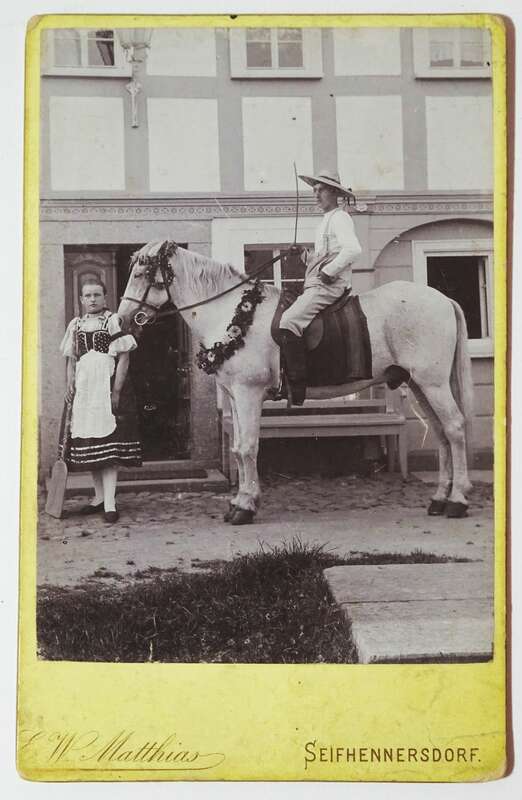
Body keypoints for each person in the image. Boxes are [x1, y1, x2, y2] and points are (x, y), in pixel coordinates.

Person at [60, 279, 142, 522]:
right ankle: (97, 498)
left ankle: (109, 503)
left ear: (106, 298)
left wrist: (116, 391)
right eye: (88, 295)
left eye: (97, 294)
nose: (93, 299)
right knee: (91, 444)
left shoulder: (112, 321)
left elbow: (124, 357)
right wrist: (69, 384)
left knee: (108, 445)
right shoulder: (76, 325)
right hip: (85, 391)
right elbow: (72, 359)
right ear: (82, 299)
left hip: (105, 388)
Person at [279, 168, 362, 405]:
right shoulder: (325, 221)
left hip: (330, 286)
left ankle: (297, 384)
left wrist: (329, 271)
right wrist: (304, 255)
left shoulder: (340, 218)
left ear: (334, 192)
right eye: (314, 190)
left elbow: (353, 249)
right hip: (317, 284)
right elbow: (324, 256)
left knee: (288, 321)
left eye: (321, 190)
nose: (316, 195)